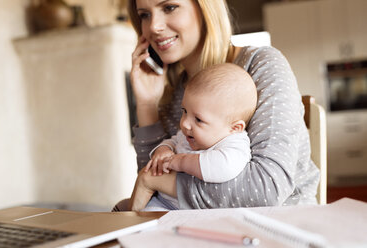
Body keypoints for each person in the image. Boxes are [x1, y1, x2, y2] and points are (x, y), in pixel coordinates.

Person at [112, 0, 320, 212]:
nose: (154, 26)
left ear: (205, 9)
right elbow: (152, 193)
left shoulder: (261, 65)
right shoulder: (173, 90)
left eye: (169, 7)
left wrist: (156, 182)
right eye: (145, 14)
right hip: (197, 227)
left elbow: (266, 191)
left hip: (280, 226)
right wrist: (147, 104)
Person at [134, 63, 257, 211]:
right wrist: (164, 149)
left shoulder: (235, 143)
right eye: (184, 111)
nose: (185, 123)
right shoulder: (190, 134)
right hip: (163, 202)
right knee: (133, 215)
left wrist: (181, 162)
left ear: (234, 127)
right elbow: (174, 140)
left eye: (198, 119)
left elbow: (224, 167)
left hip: (193, 208)